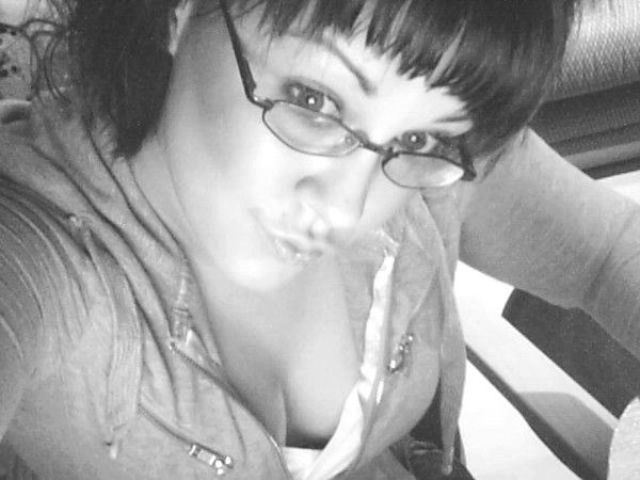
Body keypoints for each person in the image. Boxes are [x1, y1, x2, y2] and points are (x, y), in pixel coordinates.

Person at [0, 0, 639, 479]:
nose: (347, 207)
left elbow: (609, 251)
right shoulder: (37, 248)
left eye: (419, 138)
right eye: (313, 100)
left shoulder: (439, 165)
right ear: (181, 10)